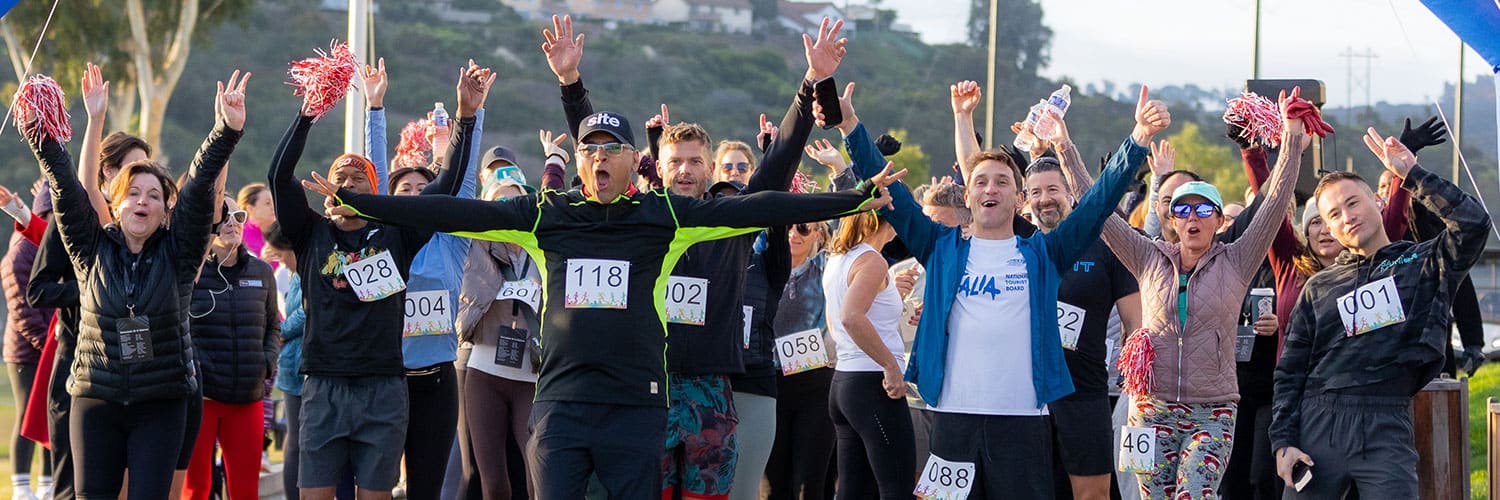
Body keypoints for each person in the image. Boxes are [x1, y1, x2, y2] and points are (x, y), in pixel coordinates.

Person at [306, 81, 902, 498]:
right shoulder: (548, 215)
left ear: (628, 161)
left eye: (608, 150)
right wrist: (358, 200)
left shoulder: (662, 216)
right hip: (562, 407)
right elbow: (446, 210)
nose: (596, 159)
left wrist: (851, 197)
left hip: (638, 408)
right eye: (588, 149)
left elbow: (768, 201)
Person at [539, 14, 850, 498]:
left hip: (711, 394)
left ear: (710, 168)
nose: (685, 170)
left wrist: (809, 85)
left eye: (695, 162)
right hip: (644, 393)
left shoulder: (731, 220)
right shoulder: (640, 219)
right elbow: (598, 151)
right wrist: (570, 84)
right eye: (675, 161)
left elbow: (780, 162)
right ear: (656, 167)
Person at [270, 61, 491, 500]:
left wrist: (467, 116)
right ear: (327, 192)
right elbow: (279, 175)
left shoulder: (398, 235)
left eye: (359, 182)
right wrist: (309, 112)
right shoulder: (310, 232)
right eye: (340, 181)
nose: (348, 187)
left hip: (384, 390)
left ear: (374, 196)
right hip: (323, 387)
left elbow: (448, 183)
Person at [23, 69, 247, 499]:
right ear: (116, 202)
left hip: (161, 402)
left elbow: (201, 188)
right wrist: (38, 127)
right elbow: (68, 186)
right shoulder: (90, 248)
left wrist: (226, 130)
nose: (142, 201)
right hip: (95, 400)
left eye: (153, 195)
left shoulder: (180, 253)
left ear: (166, 209)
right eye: (133, 193)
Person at [1099, 90, 1309, 499]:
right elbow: (1098, 212)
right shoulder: (1147, 256)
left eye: (1202, 210)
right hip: (1150, 409)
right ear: (1171, 221)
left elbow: (1278, 197)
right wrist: (1061, 144)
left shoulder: (1238, 258)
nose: (1191, 218)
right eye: (1182, 210)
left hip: (1211, 410)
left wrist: (1292, 138)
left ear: (1217, 219)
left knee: (1194, 494)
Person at [1271, 128, 1490, 498]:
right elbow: (1290, 371)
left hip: (1387, 421)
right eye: (1334, 215)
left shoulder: (1421, 263)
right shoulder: (1319, 287)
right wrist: (1283, 442)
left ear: (1376, 200)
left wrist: (1413, 174)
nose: (1347, 217)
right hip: (1320, 422)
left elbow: (1473, 225)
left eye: (1353, 203)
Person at [361, 61, 488, 500]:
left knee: (426, 491)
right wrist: (374, 107)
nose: (414, 194)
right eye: (405, 191)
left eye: (423, 187)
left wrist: (473, 112)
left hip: (437, 385)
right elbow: (374, 175)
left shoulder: (451, 244)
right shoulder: (384, 240)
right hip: (386, 382)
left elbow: (465, 181)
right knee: (375, 489)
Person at [25, 82, 153, 500]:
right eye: (131, 172)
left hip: (134, 369)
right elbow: (39, 290)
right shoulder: (75, 223)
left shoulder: (148, 229)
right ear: (108, 173)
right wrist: (93, 292)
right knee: (75, 485)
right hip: (78, 363)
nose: (140, 186)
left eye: (146, 175)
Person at [182, 196, 280, 500]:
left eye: (237, 216)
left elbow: (272, 326)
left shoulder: (262, 272)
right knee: (196, 489)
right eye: (222, 216)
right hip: (203, 398)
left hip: (247, 396)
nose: (231, 223)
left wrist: (265, 364)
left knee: (245, 490)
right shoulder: (191, 274)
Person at [454, 170, 541, 500]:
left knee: (536, 475)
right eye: (499, 201)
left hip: (529, 375)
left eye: (516, 199)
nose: (508, 207)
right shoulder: (475, 248)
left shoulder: (540, 246)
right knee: (492, 482)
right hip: (484, 371)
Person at [821, 210, 915, 499]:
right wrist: (890, 365)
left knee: (852, 490)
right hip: (872, 384)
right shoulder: (871, 259)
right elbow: (850, 316)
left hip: (845, 383)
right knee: (896, 486)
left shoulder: (838, 258)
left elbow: (835, 319)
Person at [764, 220, 835, 500]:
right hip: (770, 383)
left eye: (804, 228)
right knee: (777, 485)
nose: (794, 234)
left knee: (809, 485)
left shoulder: (828, 268)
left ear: (818, 233)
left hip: (816, 383)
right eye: (787, 227)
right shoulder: (761, 267)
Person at [2, 179, 52, 500]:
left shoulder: (54, 247)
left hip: (51, 344)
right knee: (26, 414)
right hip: (25, 351)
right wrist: (46, 345)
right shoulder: (23, 251)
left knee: (52, 414)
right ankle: (21, 485)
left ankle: (48, 483)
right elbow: (23, 311)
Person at [237, 183, 274, 261]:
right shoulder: (239, 236)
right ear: (250, 209)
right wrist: (263, 261)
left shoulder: (283, 232)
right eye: (267, 203)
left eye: (274, 202)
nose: (273, 207)